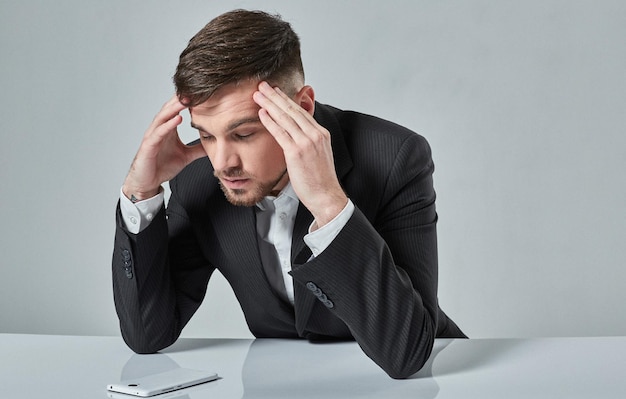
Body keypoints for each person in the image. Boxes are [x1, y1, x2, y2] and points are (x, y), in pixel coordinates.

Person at [112, 9, 465, 379]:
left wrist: (329, 204)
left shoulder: (395, 157)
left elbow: (408, 352)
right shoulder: (199, 180)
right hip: (280, 389)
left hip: (425, 389)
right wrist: (140, 192)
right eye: (205, 134)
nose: (221, 162)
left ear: (303, 108)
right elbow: (147, 334)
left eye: (244, 134)